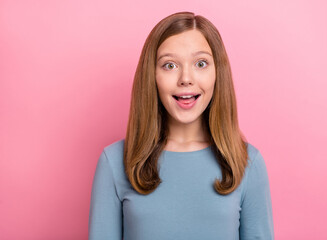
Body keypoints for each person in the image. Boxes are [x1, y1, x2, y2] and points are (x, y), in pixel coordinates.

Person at [88, 11, 274, 240]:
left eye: (201, 63)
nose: (186, 78)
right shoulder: (114, 162)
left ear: (218, 73)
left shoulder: (248, 163)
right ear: (152, 76)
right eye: (170, 65)